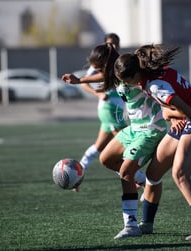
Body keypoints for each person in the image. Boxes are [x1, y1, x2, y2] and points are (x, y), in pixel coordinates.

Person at [112, 44, 191, 241]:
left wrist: (168, 113)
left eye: (126, 81)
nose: (125, 85)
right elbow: (180, 101)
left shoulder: (154, 85)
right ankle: (147, 224)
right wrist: (172, 115)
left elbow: (185, 110)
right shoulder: (157, 73)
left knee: (180, 174)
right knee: (153, 174)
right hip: (184, 125)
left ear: (135, 75)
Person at [64, 44, 168, 239]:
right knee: (106, 159)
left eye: (98, 68)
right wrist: (79, 81)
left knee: (125, 172)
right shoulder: (117, 73)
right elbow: (103, 78)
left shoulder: (132, 73)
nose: (96, 72)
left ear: (107, 65)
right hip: (134, 128)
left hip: (151, 129)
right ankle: (146, 183)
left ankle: (131, 225)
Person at [63, 33, 128, 174]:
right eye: (110, 44)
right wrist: (97, 93)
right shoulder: (100, 62)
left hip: (116, 108)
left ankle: (78, 172)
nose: (114, 46)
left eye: (116, 43)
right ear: (105, 45)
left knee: (99, 147)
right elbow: (89, 81)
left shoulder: (119, 63)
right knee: (128, 143)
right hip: (110, 107)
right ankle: (138, 179)